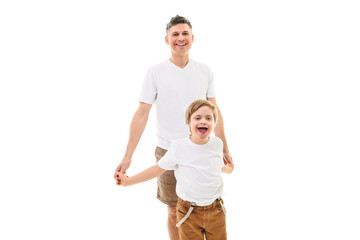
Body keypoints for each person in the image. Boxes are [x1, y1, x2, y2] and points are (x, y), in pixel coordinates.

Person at [114, 15, 233, 240]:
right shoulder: (155, 72)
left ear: (192, 38)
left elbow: (215, 111)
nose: (180, 38)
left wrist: (225, 148)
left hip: (201, 148)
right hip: (168, 149)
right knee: (173, 210)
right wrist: (127, 156)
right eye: (175, 34)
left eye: (185, 33)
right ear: (167, 39)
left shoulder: (204, 71)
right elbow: (141, 114)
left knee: (202, 206)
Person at [117, 99, 234, 240]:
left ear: (214, 123)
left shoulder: (217, 144)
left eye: (208, 118)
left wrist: (229, 169)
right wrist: (129, 181)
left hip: (216, 210)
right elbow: (157, 169)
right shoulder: (179, 147)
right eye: (197, 118)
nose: (203, 121)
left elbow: (216, 166)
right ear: (188, 123)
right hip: (189, 213)